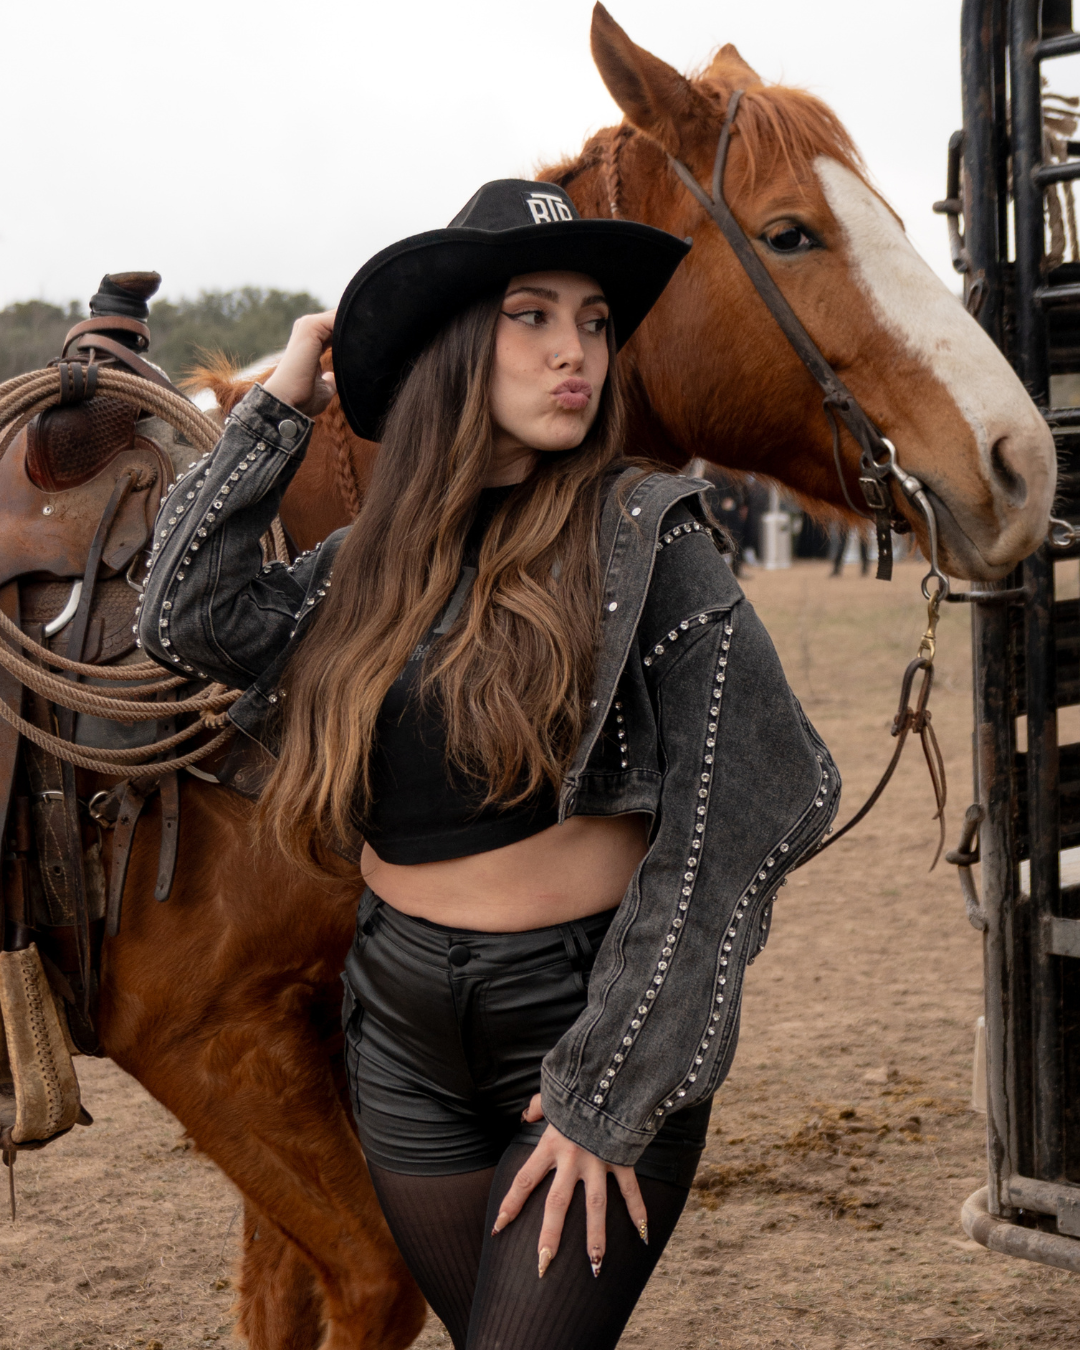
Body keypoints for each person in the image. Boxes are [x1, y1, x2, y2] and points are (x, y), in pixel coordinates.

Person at [138, 179, 839, 1350]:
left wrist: (609, 1085)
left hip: (572, 1019)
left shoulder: (647, 544)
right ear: (457, 346)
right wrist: (281, 396)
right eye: (534, 315)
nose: (577, 352)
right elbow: (187, 616)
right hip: (400, 1039)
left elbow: (742, 821)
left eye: (596, 322)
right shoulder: (370, 563)